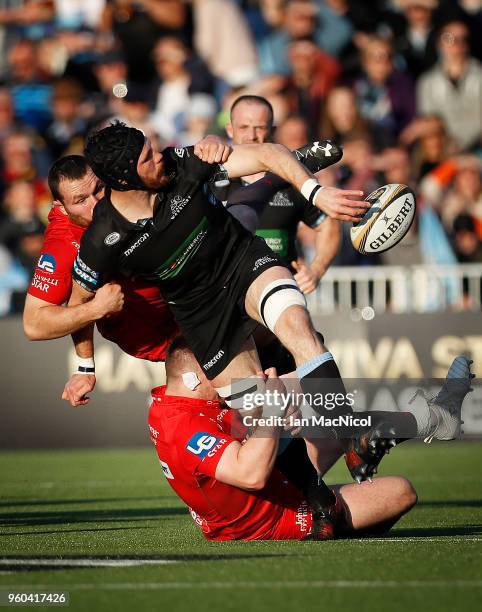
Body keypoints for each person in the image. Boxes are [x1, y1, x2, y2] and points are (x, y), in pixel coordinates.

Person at [148, 337, 473, 541]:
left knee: (334, 417)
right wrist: (273, 414)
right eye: (216, 372)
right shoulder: (182, 425)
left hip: (264, 486)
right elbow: (251, 474)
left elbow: (237, 425)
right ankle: (338, 511)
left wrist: (305, 367)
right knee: (402, 491)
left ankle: (434, 419)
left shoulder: (181, 400)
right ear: (194, 378)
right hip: (265, 519)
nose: (225, 380)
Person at [220, 94, 341, 295]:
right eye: (244, 127)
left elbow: (329, 225)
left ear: (273, 131)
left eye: (260, 127)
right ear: (229, 130)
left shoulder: (294, 178)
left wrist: (316, 270)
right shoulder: (210, 177)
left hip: (281, 295)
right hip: (226, 296)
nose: (252, 135)